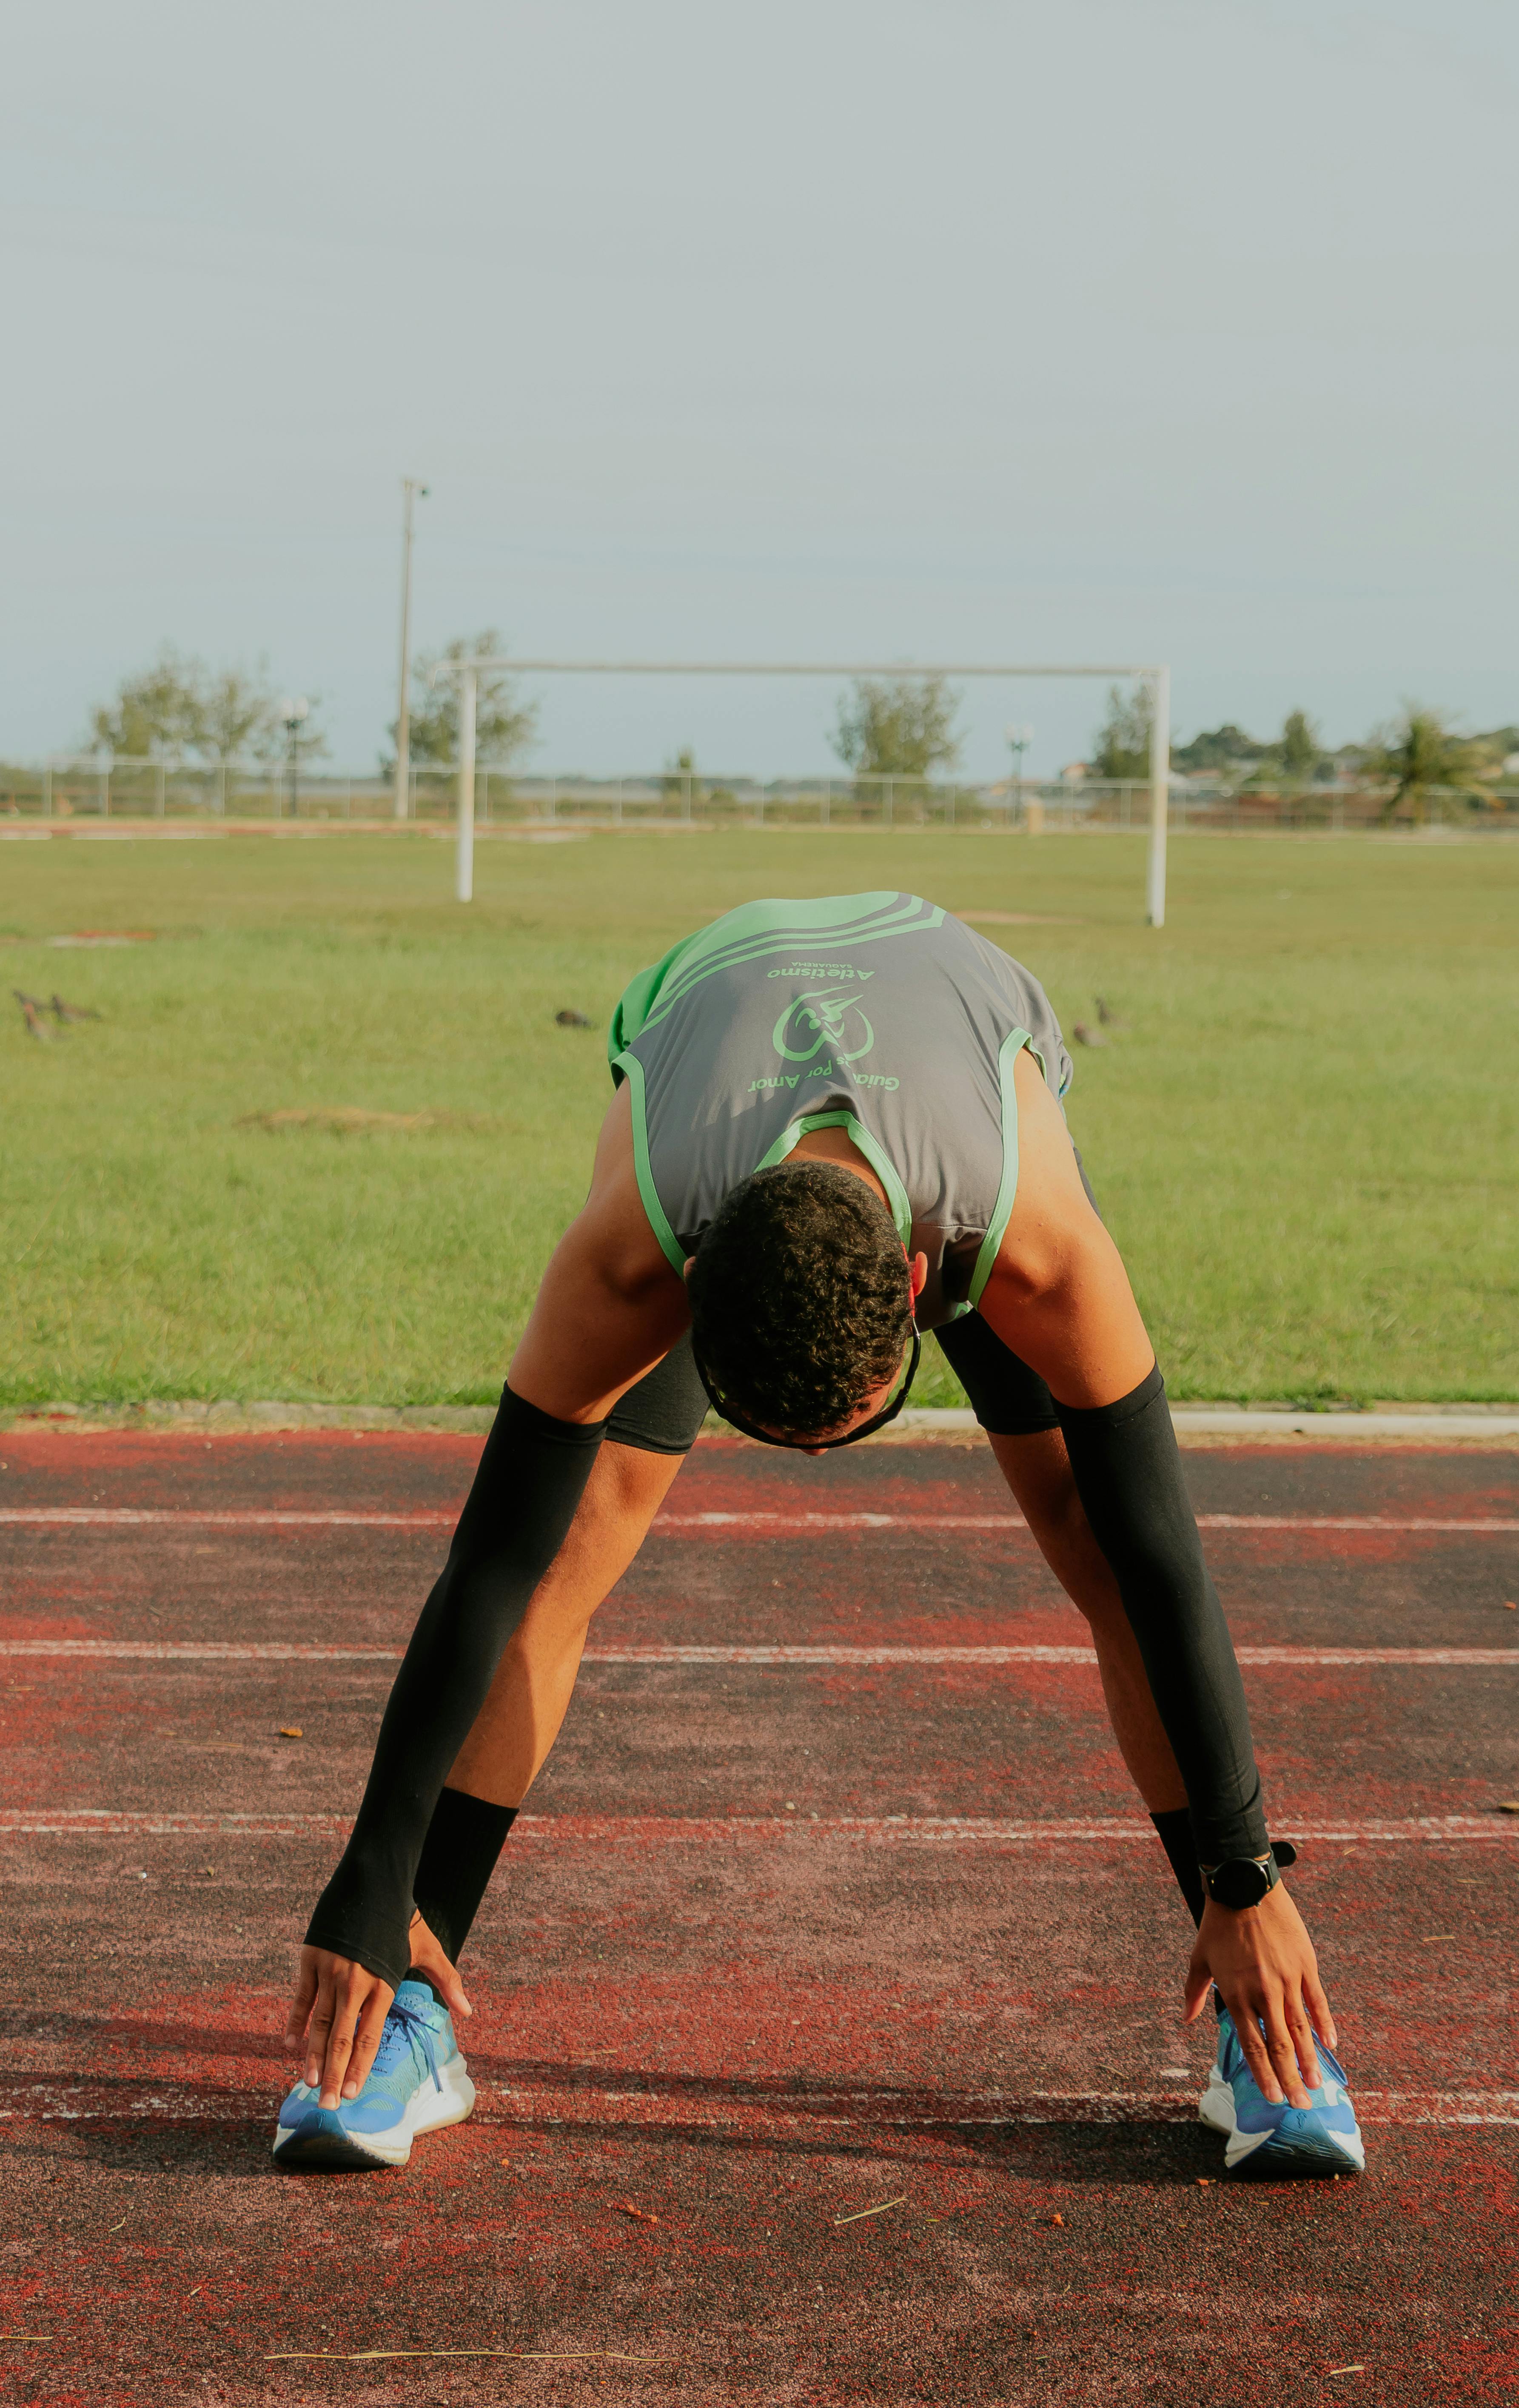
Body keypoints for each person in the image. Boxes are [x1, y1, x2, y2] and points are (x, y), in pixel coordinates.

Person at [274, 891, 1363, 2177]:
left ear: (920, 1287)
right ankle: (411, 1997)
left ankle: (1261, 2021)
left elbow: (1163, 1554)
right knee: (568, 1553)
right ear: (689, 1298)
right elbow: (492, 1563)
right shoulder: (632, 1250)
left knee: (1097, 1543)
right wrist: (373, 1873)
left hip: (949, 1036)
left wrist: (1246, 1875)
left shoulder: (1034, 1241)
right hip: (714, 1026)